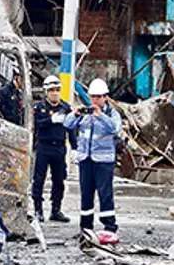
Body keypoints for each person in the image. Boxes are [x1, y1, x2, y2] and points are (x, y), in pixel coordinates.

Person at [64, 78, 122, 238]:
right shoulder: (86, 114)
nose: (95, 100)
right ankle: (86, 227)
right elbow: (67, 124)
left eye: (98, 97)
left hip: (103, 161)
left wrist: (100, 116)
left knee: (105, 194)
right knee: (86, 194)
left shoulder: (111, 113)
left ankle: (110, 227)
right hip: (86, 159)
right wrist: (75, 114)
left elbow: (116, 129)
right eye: (93, 97)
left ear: (105, 97)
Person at [31, 75, 75, 223]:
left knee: (59, 180)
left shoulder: (65, 108)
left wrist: (74, 148)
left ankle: (56, 210)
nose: (55, 93)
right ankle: (38, 209)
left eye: (57, 90)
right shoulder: (39, 107)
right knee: (39, 179)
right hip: (44, 146)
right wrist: (51, 120)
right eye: (52, 90)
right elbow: (35, 124)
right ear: (46, 92)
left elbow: (71, 129)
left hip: (59, 148)